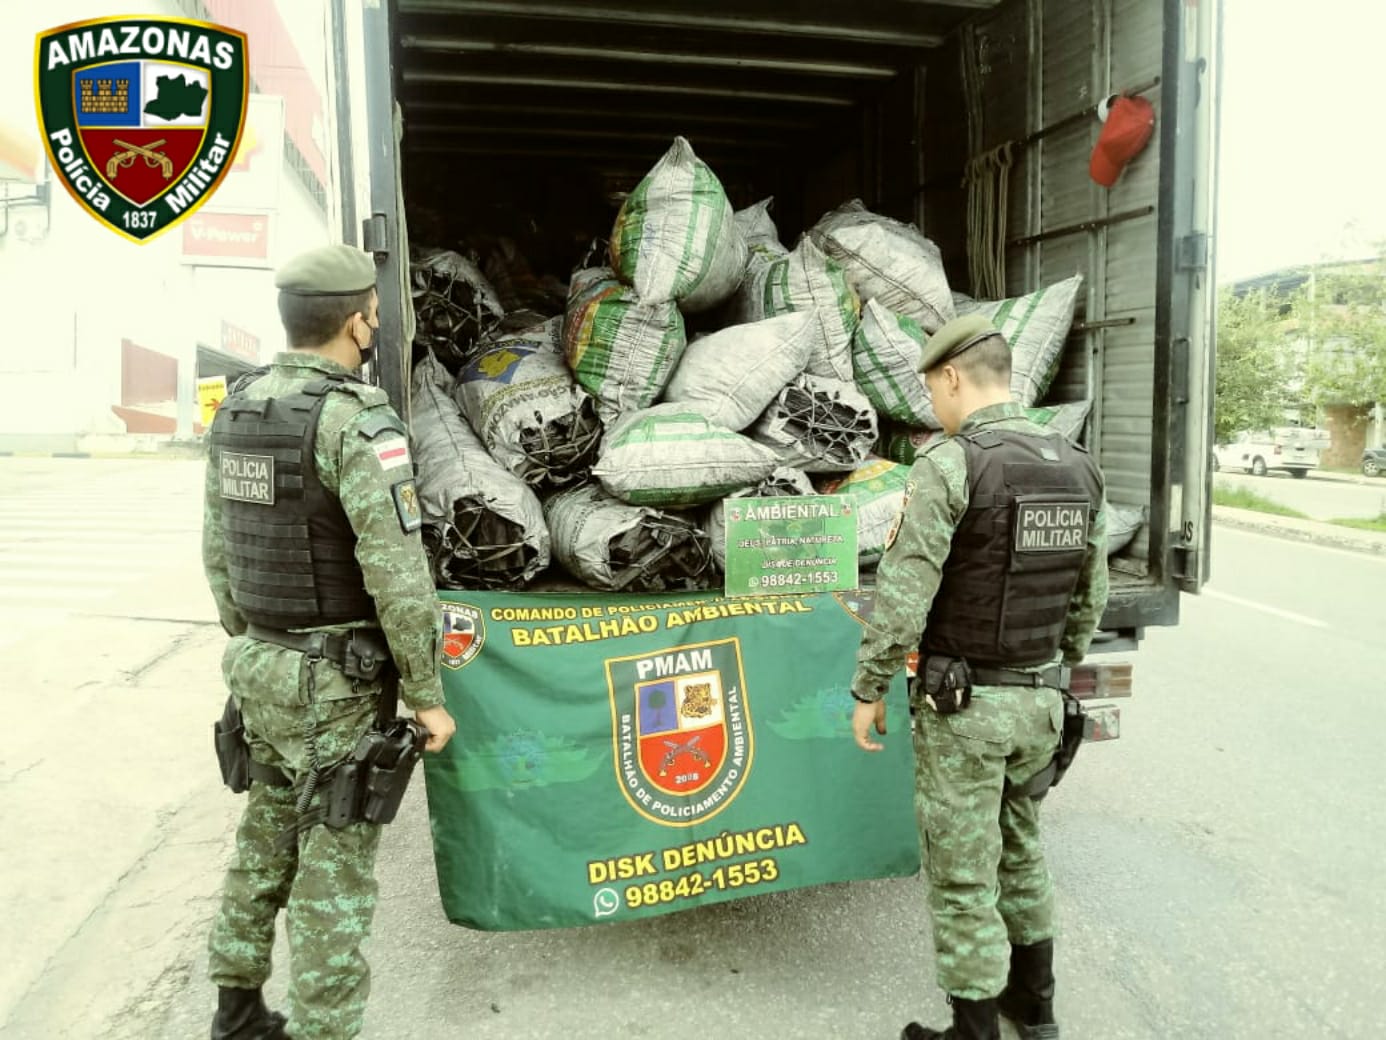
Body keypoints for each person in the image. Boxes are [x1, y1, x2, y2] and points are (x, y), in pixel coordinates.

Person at [203, 244, 457, 1040]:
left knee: (265, 837)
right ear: (358, 320)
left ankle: (236, 1009)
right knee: (334, 876)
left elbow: (218, 554)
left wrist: (256, 648)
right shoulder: (355, 421)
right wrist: (427, 694)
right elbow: (398, 575)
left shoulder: (237, 408)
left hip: (259, 669)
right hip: (331, 687)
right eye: (374, 314)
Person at [850, 313, 1108, 1040]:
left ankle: (973, 1031)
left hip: (966, 711)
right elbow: (1090, 595)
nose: (932, 404)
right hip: (1042, 699)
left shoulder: (952, 464)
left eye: (932, 389)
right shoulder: (1078, 464)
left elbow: (904, 596)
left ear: (953, 377)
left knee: (964, 873)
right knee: (1021, 848)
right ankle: (1036, 1008)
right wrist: (1059, 669)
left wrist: (869, 689)